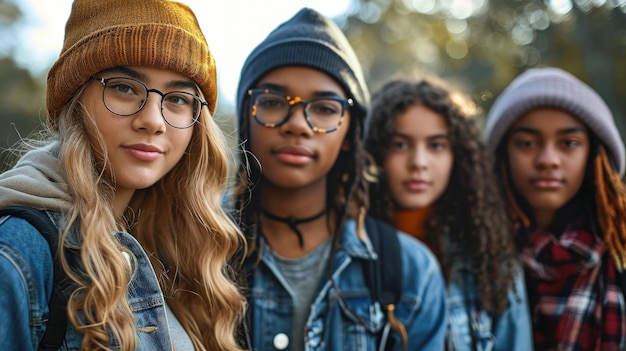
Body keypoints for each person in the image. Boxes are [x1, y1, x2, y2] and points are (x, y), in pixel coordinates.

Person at [0, 0, 246, 350]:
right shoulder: (18, 253)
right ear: (75, 97)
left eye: (177, 98)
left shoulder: (178, 252)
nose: (154, 121)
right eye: (125, 88)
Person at [232, 7, 447, 351]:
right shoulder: (190, 246)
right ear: (246, 116)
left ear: (350, 133)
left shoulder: (411, 272)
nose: (298, 124)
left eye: (325, 108)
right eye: (272, 101)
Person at [364, 78, 533, 350]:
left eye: (436, 146)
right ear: (374, 150)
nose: (419, 162)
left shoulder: (488, 259)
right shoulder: (350, 254)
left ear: (459, 156)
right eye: (400, 144)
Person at [485, 66, 626, 350]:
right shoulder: (471, 259)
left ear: (595, 156)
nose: (548, 159)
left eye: (569, 143)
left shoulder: (619, 251)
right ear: (501, 155)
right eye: (527, 143)